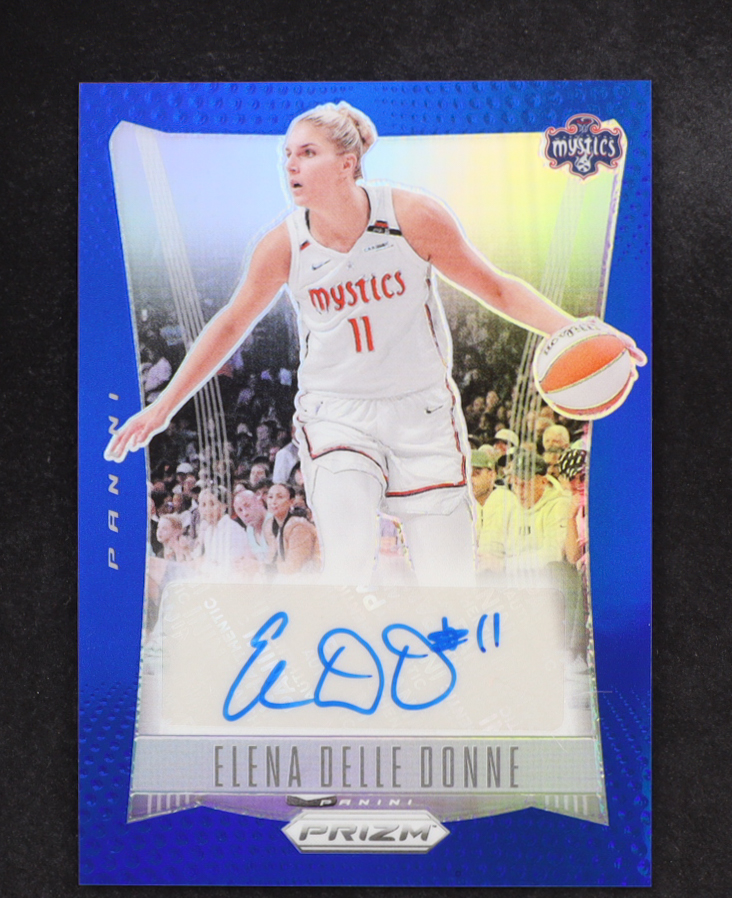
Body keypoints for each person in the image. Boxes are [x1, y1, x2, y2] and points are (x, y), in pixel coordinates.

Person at [105, 101, 645, 586]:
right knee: (349, 557)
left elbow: (497, 287)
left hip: (422, 411)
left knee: (449, 579)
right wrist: (163, 406)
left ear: (348, 163)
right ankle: (349, 654)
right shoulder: (283, 245)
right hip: (336, 412)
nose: (291, 165)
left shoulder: (412, 216)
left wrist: (581, 329)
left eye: (307, 153)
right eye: (287, 154)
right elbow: (228, 325)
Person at [470, 447, 518, 573]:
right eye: (466, 474)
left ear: (492, 475)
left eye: (476, 473)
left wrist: (500, 564)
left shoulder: (509, 502)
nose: (470, 480)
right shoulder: (463, 505)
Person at [263, 483, 320, 576]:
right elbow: (272, 558)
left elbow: (293, 567)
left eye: (280, 497)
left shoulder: (299, 527)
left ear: (291, 501)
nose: (273, 501)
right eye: (270, 497)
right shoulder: (269, 525)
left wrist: (261, 567)